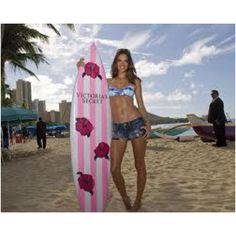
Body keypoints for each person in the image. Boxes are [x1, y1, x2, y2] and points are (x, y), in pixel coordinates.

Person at [77, 49, 151, 211]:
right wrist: (81, 68)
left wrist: (148, 124)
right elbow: (89, 87)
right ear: (115, 63)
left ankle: (138, 199)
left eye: (125, 60)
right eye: (119, 60)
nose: (122, 63)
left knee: (140, 165)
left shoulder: (135, 82)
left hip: (136, 124)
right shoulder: (106, 82)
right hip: (117, 127)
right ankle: (125, 197)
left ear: (129, 63)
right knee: (114, 168)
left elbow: (141, 104)